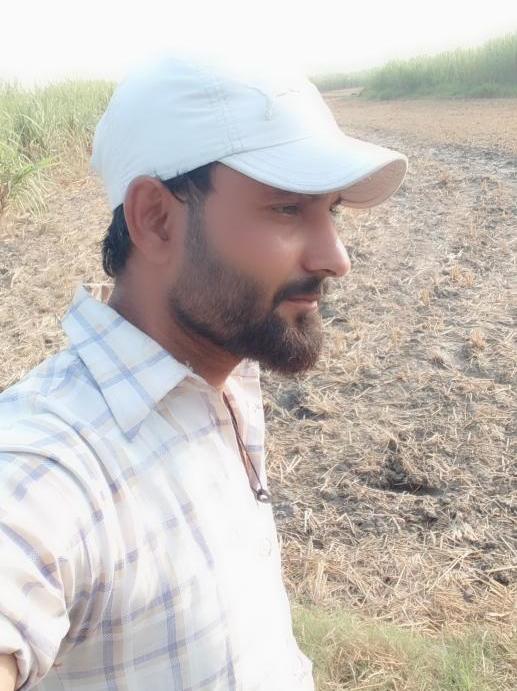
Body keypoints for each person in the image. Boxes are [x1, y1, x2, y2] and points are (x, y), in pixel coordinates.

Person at [0, 51, 408, 690]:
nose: (336, 258)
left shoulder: (222, 378)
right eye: (286, 208)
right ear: (156, 219)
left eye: (330, 210)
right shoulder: (52, 460)